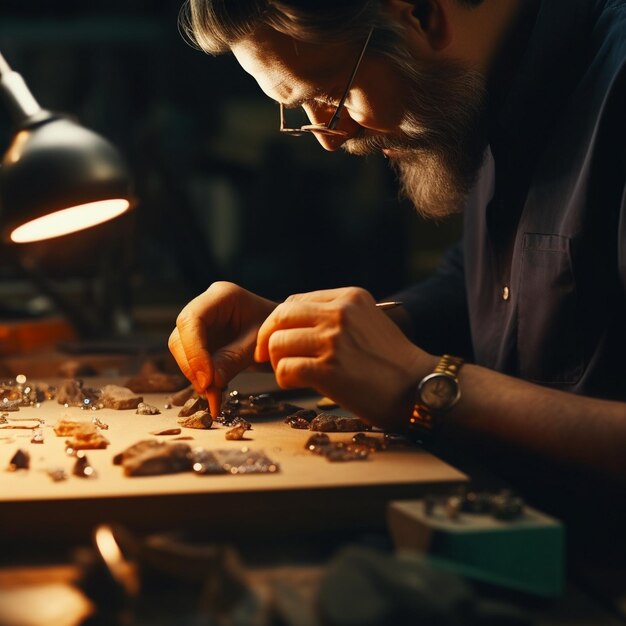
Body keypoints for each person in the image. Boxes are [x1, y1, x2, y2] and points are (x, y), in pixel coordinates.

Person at [168, 0, 626, 538]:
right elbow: (507, 281)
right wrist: (323, 334)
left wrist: (422, 385)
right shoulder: (488, 88)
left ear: (421, 14)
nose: (328, 137)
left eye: (330, 96)